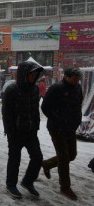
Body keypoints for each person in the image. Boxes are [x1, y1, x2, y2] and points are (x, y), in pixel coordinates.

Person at [2, 61, 44, 199]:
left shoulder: (35, 89)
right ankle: (11, 184)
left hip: (31, 132)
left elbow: (35, 110)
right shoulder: (12, 90)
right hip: (16, 133)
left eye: (35, 74)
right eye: (31, 74)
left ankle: (27, 181)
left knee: (37, 158)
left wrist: (36, 125)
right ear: (23, 74)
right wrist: (11, 132)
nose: (33, 77)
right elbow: (6, 114)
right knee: (15, 160)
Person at [41, 67, 83, 201]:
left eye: (78, 79)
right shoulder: (56, 88)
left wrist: (77, 120)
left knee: (72, 155)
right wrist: (58, 119)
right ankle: (65, 186)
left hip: (70, 127)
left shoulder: (77, 88)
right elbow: (45, 107)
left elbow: (78, 105)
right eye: (74, 78)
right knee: (64, 157)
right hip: (57, 128)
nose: (77, 81)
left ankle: (46, 164)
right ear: (66, 76)